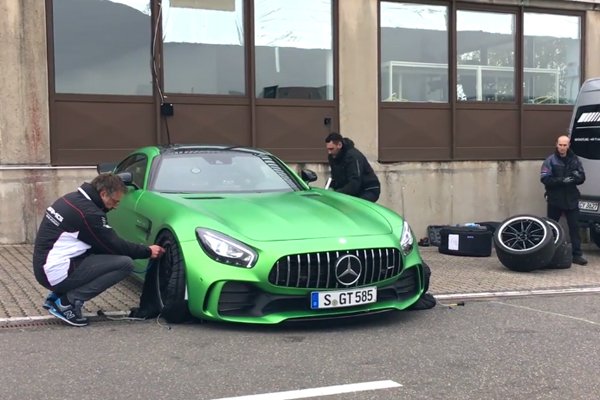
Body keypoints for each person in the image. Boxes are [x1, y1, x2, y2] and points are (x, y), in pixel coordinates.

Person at [32, 173, 165, 327]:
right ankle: (67, 303)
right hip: (54, 271)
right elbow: (114, 245)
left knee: (100, 253)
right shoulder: (88, 213)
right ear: (103, 194)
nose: (115, 207)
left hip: (46, 267)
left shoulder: (71, 199)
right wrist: (147, 251)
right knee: (124, 264)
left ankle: (57, 296)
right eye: (114, 202)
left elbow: (101, 245)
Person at [540, 135, 587, 265]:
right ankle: (549, 254)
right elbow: (544, 179)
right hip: (555, 199)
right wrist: (561, 181)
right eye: (560, 145)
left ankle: (577, 255)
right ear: (556, 144)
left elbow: (582, 177)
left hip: (571, 199)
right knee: (551, 227)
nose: (562, 147)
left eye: (565, 145)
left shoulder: (575, 160)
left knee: (574, 228)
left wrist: (576, 178)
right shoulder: (550, 160)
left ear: (569, 145)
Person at [325, 132, 381, 202]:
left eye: (331, 149)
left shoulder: (353, 156)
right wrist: (328, 189)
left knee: (357, 206)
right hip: (353, 188)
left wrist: (338, 193)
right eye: (328, 149)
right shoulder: (332, 157)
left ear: (339, 145)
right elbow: (334, 176)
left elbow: (355, 181)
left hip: (368, 189)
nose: (329, 152)